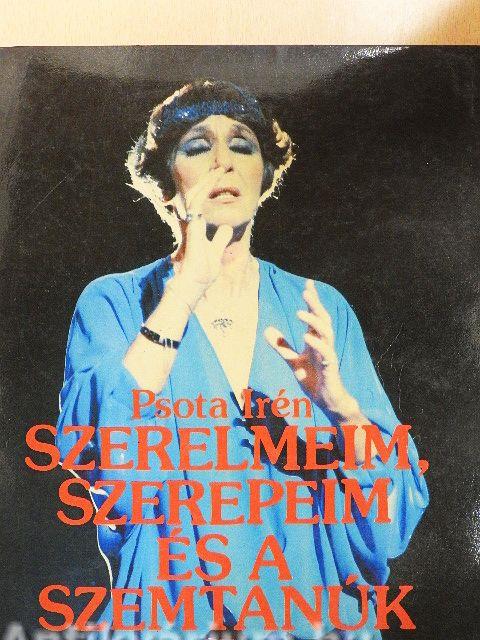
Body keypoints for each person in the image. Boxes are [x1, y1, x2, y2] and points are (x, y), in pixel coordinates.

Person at [56, 80, 429, 640]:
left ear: (265, 178)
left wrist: (342, 407)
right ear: (166, 185)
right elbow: (113, 471)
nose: (223, 161)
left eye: (242, 145)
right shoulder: (114, 302)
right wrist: (186, 289)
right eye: (197, 146)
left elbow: (388, 526)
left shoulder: (319, 307)